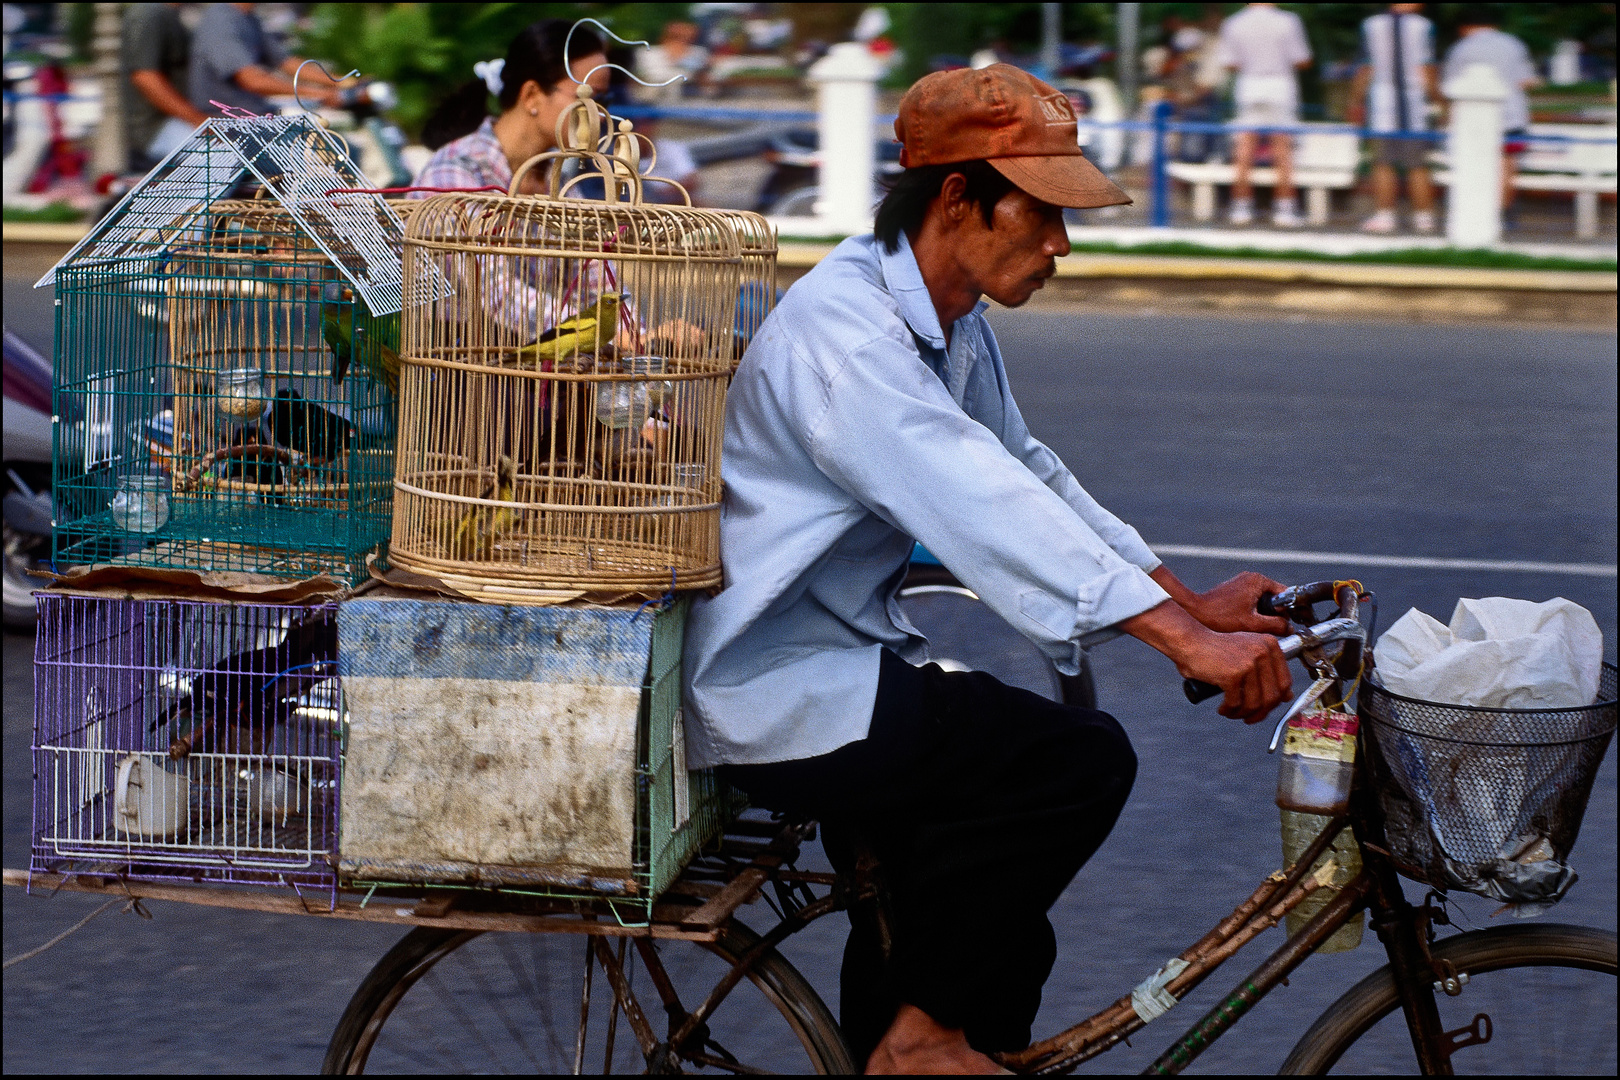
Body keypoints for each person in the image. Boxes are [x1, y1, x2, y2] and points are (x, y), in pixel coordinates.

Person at [683, 64, 1292, 1073]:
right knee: (1077, 761)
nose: (1060, 244)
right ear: (959, 197)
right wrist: (1182, 639)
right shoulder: (851, 338)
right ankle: (917, 1047)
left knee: (991, 932)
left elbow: (1028, 473)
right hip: (772, 687)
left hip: (841, 662)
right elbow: (980, 503)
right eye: (1043, 213)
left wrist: (1190, 598)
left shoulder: (948, 315)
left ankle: (907, 1043)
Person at [1217, 3, 1312, 227]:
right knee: (1282, 147)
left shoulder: (1234, 22)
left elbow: (1230, 63)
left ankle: (1241, 207)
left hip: (1249, 84)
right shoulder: (1288, 20)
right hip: (1280, 84)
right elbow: (1302, 59)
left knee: (1244, 146)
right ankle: (1284, 209)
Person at [1352, 5, 1439, 234]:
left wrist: (1356, 101)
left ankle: (1385, 216)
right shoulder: (1424, 26)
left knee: (1382, 164)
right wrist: (1439, 101)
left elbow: (1366, 68)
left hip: (1382, 105)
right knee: (1418, 165)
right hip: (1414, 106)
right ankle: (1424, 218)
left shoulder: (1371, 25)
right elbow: (1427, 68)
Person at [1443, 6, 1539, 213]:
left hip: (1472, 121)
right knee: (1506, 169)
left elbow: (1450, 88)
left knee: (1474, 167)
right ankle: (1501, 215)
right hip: (1512, 118)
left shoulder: (1461, 49)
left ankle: (1475, 213)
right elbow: (1528, 81)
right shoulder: (1513, 44)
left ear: (1464, 27)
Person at [188, 3, 343, 118]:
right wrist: (319, 94)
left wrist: (341, 82)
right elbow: (252, 81)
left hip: (256, 114)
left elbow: (285, 62)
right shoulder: (221, 22)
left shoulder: (249, 18)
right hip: (226, 123)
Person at [121, 3, 207, 170]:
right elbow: (145, 78)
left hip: (177, 121)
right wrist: (199, 121)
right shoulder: (148, 13)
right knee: (221, 163)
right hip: (156, 127)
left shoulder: (169, 13)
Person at [635, 20, 709, 104]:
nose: (682, 40)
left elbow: (703, 77)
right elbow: (642, 76)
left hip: (689, 99)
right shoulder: (647, 52)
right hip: (651, 99)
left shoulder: (699, 53)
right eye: (676, 37)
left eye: (686, 37)